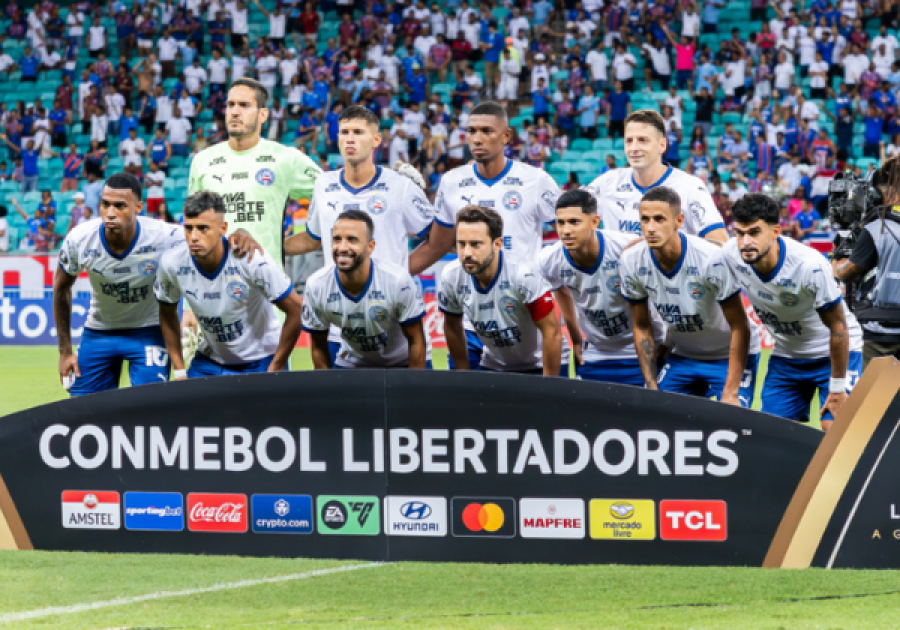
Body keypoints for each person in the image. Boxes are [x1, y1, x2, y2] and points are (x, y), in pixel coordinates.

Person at [409, 100, 562, 369]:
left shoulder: (535, 181)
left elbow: (570, 233)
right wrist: (387, 274)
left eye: (487, 131)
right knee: (466, 404)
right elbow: (436, 246)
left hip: (521, 314)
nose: (477, 139)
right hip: (471, 320)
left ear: (506, 136)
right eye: (471, 131)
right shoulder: (452, 182)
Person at [283, 105, 437, 362]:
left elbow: (437, 241)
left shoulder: (400, 185)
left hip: (393, 315)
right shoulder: (324, 185)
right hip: (339, 323)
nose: (350, 138)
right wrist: (268, 245)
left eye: (358, 132)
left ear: (377, 140)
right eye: (344, 132)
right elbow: (312, 239)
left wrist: (400, 271)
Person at [730, 194, 863, 430]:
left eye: (754, 232)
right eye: (739, 233)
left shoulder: (808, 265)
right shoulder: (730, 257)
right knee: (771, 436)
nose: (745, 242)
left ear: (776, 231)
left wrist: (838, 387)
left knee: (836, 432)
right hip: (787, 357)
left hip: (833, 353)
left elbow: (838, 327)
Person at [620, 186, 754, 406]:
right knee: (658, 417)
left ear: (678, 221)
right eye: (645, 219)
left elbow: (740, 326)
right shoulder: (631, 260)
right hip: (684, 354)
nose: (651, 228)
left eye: (659, 219)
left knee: (731, 420)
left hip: (726, 355)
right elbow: (641, 326)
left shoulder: (710, 258)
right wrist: (650, 383)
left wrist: (730, 393)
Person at [155, 190, 302, 378]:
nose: (193, 237)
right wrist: (179, 368)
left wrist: (277, 366)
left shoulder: (251, 259)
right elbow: (167, 314)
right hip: (210, 360)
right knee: (187, 405)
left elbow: (296, 309)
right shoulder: (172, 263)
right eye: (188, 228)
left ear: (222, 228)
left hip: (262, 360)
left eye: (203, 228)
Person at [540, 189, 661, 385]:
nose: (565, 230)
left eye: (574, 222)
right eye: (560, 223)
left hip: (641, 349)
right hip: (596, 352)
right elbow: (559, 290)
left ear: (595, 222)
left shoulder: (627, 249)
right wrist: (576, 339)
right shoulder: (549, 259)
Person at [439, 205, 563, 375]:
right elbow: (452, 326)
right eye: (461, 244)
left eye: (476, 244)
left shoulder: (523, 275)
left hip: (541, 363)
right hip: (495, 365)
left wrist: (549, 388)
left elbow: (552, 332)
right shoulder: (451, 276)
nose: (466, 252)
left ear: (497, 244)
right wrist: (463, 378)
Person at [303, 210, 429, 369]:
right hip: (354, 362)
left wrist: (413, 387)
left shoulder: (397, 281)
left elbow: (416, 339)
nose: (342, 247)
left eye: (352, 240)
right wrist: (328, 391)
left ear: (370, 247)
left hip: (403, 359)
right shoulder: (316, 285)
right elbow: (319, 345)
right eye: (336, 239)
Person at [584, 109, 728, 245]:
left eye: (642, 140)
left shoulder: (689, 187)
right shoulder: (608, 182)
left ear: (662, 145)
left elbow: (720, 244)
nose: (634, 148)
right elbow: (567, 208)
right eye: (629, 140)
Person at [833, 158, 900, 365]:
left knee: (875, 397)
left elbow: (845, 273)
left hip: (880, 331)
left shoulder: (877, 227)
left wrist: (836, 261)